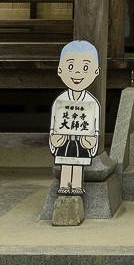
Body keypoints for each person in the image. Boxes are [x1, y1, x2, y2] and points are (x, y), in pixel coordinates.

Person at [49, 40, 100, 195]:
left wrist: (92, 141)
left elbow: (95, 127)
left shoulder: (92, 103)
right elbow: (54, 123)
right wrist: (54, 137)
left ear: (96, 71)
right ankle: (64, 184)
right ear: (60, 70)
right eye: (70, 67)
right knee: (66, 163)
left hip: (82, 142)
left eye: (85, 68)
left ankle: (77, 185)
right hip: (64, 140)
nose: (77, 73)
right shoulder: (60, 101)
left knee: (78, 164)